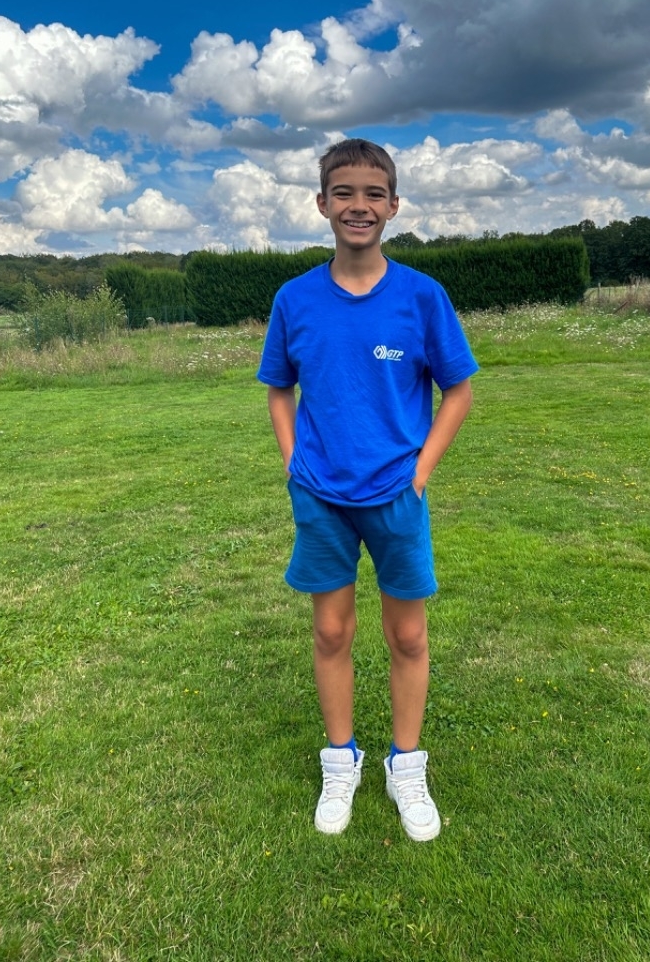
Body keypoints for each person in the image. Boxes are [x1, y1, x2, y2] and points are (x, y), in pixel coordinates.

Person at [257, 138, 477, 841]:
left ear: (394, 206)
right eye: (345, 193)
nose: (359, 205)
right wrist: (293, 460)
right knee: (330, 631)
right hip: (321, 494)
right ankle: (341, 759)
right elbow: (278, 388)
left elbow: (458, 390)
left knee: (407, 635)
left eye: (373, 194)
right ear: (322, 203)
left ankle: (405, 764)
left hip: (397, 496)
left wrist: (421, 470)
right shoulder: (295, 299)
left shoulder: (422, 296)